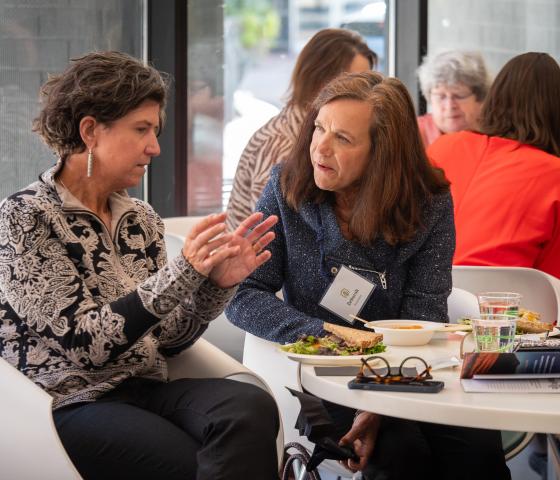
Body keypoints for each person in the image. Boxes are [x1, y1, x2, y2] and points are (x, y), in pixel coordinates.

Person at [0, 51, 280, 480]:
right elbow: (85, 346)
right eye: (141, 129)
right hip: (71, 400)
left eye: (155, 130)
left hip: (147, 387)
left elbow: (167, 341)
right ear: (91, 130)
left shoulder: (141, 219)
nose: (155, 146)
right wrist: (184, 271)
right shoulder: (25, 217)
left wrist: (213, 287)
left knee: (251, 407)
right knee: (194, 461)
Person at [226, 71, 510, 479]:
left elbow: (425, 310)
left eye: (343, 138)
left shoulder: (426, 202)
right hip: (325, 374)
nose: (320, 148)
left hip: (409, 367)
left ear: (382, 153)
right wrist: (325, 336)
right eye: (319, 128)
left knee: (476, 448)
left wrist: (379, 400)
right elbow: (244, 293)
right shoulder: (287, 185)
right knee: (398, 455)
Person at [226, 28, 377, 231]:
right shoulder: (282, 145)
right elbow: (267, 239)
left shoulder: (296, 130)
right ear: (321, 80)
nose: (365, 94)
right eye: (354, 82)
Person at [427, 52, 560, 278]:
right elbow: (552, 283)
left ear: (492, 98)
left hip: (422, 299)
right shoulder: (553, 174)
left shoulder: (444, 146)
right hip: (506, 307)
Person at [416, 50, 491, 147]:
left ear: (480, 97)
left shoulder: (497, 133)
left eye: (459, 96)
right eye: (441, 97)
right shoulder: (412, 134)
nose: (450, 106)